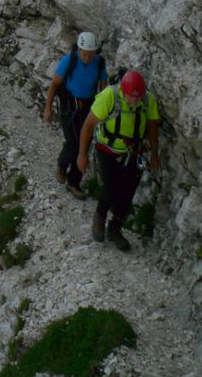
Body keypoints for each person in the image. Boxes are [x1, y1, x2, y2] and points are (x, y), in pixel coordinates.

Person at [77, 69, 160, 251]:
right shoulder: (109, 96)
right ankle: (99, 218)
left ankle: (115, 228)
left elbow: (152, 126)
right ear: (123, 91)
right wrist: (82, 154)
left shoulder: (147, 100)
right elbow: (89, 125)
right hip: (107, 149)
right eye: (131, 97)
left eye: (138, 98)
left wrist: (154, 153)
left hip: (133, 152)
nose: (135, 101)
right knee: (111, 188)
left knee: (128, 192)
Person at [43, 31, 107, 200]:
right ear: (79, 49)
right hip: (69, 107)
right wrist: (48, 108)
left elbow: (103, 87)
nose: (86, 57)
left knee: (83, 145)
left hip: (88, 107)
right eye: (84, 53)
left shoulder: (99, 64)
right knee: (73, 142)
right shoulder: (69, 60)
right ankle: (62, 165)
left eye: (90, 54)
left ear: (95, 52)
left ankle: (74, 182)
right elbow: (55, 84)